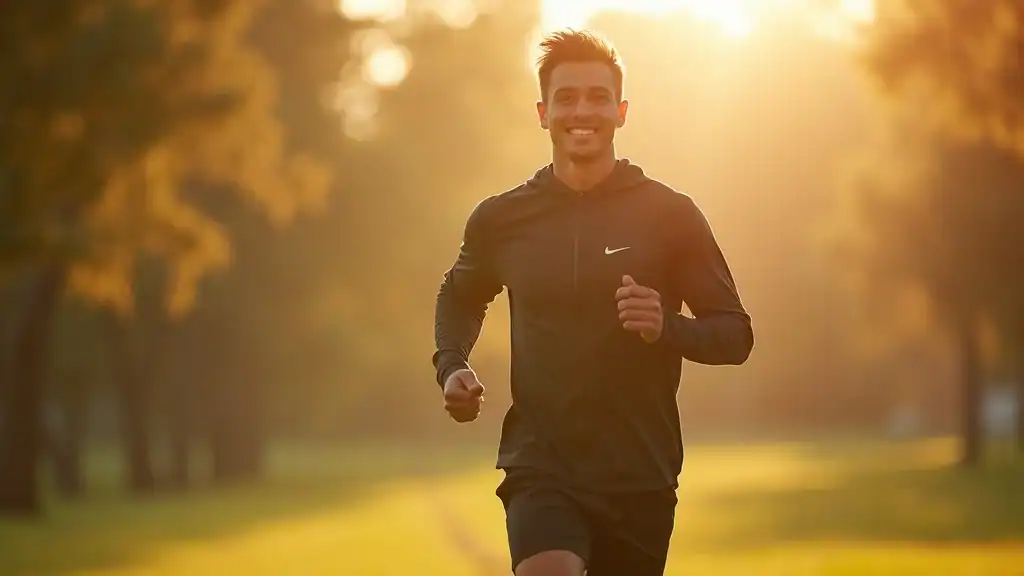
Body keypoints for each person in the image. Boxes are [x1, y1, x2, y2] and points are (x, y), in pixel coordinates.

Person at [432, 29, 753, 576]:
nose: (583, 111)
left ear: (622, 111)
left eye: (599, 97)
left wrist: (666, 326)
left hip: (639, 476)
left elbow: (735, 335)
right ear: (542, 112)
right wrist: (452, 366)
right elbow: (458, 296)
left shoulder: (670, 214)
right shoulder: (501, 219)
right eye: (567, 97)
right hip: (541, 465)